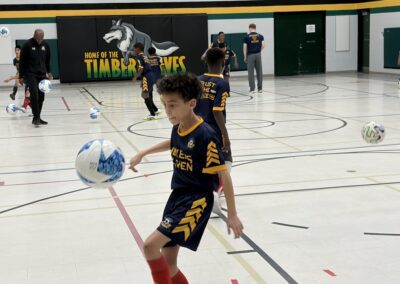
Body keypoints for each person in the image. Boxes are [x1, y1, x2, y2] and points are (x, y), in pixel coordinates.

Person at [129, 73, 243, 284]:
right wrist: (143, 152)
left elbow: (224, 176)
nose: (167, 111)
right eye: (164, 104)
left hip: (196, 201)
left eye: (172, 105)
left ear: (191, 103)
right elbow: (173, 142)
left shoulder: (206, 136)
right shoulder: (179, 126)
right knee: (169, 262)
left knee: (150, 246)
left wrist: (233, 214)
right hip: (177, 197)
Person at [195, 48, 232, 214]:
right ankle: (214, 195)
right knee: (226, 162)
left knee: (209, 164)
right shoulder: (222, 83)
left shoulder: (198, 80)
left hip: (198, 128)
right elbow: (218, 111)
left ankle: (209, 192)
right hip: (214, 130)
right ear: (222, 63)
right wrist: (225, 135)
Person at [19, 29, 52, 126]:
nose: (39, 40)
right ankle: (36, 117)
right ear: (34, 35)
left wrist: (49, 72)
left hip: (42, 74)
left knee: (41, 97)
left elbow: (47, 60)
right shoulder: (27, 45)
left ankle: (37, 117)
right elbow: (22, 61)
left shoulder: (46, 45)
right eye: (37, 38)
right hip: (30, 74)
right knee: (34, 94)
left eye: (41, 38)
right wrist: (21, 76)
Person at [133, 43, 160, 120]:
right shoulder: (145, 56)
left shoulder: (139, 57)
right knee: (149, 94)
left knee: (144, 95)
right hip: (150, 76)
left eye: (134, 48)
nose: (134, 50)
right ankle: (155, 110)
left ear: (138, 48)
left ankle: (153, 114)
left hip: (146, 76)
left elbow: (141, 68)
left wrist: (135, 77)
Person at [243, 23, 265, 94]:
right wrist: (259, 50)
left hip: (250, 55)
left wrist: (245, 56)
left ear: (249, 28)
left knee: (251, 73)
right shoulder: (260, 36)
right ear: (255, 28)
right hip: (258, 54)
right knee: (259, 72)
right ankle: (260, 89)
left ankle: (252, 89)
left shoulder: (246, 37)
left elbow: (245, 47)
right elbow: (264, 45)